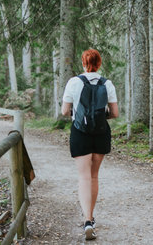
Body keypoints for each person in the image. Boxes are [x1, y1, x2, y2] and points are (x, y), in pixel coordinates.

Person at [61, 49, 119, 240]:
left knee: (83, 177)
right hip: (101, 132)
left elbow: (64, 111)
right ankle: (91, 219)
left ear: (84, 63)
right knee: (94, 176)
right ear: (99, 63)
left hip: (80, 132)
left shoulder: (74, 82)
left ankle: (87, 220)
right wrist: (101, 117)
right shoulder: (107, 83)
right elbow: (115, 113)